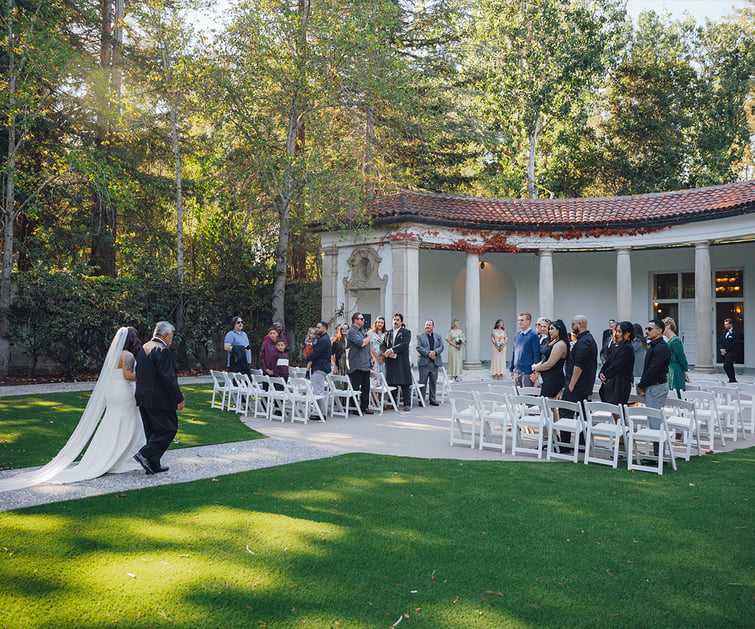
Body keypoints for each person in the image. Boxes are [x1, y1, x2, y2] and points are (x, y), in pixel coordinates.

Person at [0, 327, 146, 491]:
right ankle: (127, 457)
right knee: (130, 422)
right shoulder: (128, 356)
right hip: (124, 391)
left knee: (113, 422)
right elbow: (128, 375)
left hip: (112, 391)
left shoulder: (113, 354)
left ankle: (112, 454)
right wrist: (147, 374)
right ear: (132, 340)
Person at [133, 321, 184, 475]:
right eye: (171, 336)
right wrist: (178, 398)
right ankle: (145, 454)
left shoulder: (144, 348)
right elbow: (168, 378)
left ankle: (153, 464)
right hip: (159, 398)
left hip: (143, 396)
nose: (171, 340)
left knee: (152, 432)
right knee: (169, 428)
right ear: (166, 335)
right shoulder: (162, 349)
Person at [560, 315, 598, 451]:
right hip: (583, 385)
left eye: (573, 324)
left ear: (580, 324)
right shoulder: (587, 340)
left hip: (577, 385)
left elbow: (579, 365)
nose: (571, 326)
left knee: (565, 412)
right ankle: (582, 443)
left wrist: (571, 384)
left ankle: (564, 445)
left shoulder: (584, 342)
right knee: (582, 413)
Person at [637, 319, 671, 456]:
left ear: (659, 331)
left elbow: (653, 370)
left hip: (657, 387)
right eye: (646, 328)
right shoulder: (654, 345)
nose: (646, 331)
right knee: (653, 421)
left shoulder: (661, 347)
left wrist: (641, 385)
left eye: (650, 329)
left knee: (655, 422)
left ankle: (659, 456)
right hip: (652, 386)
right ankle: (657, 454)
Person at [598, 321, 635, 405]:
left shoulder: (627, 348)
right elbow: (608, 362)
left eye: (620, 331)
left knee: (618, 411)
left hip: (620, 384)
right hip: (613, 382)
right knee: (614, 411)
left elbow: (617, 365)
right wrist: (601, 373)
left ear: (628, 333)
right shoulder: (616, 346)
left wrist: (605, 375)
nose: (617, 334)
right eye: (616, 331)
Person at [531, 319, 569, 399]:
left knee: (543, 404)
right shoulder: (553, 341)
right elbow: (545, 359)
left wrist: (536, 368)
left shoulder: (560, 344)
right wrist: (537, 367)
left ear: (559, 330)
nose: (549, 331)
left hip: (554, 379)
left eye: (552, 329)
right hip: (548, 378)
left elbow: (550, 363)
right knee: (550, 406)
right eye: (549, 329)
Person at [382, 313, 412, 411]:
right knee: (391, 382)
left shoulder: (406, 332)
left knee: (404, 383)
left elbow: (404, 344)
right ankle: (392, 402)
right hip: (390, 361)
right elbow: (382, 345)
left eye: (398, 320)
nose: (395, 321)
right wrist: (385, 352)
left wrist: (392, 350)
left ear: (401, 322)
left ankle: (407, 404)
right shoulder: (387, 333)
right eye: (394, 320)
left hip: (402, 361)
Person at [346, 312, 374, 414]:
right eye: (361, 319)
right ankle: (354, 408)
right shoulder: (352, 331)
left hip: (365, 363)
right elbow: (361, 343)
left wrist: (371, 356)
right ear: (356, 320)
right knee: (355, 387)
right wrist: (369, 337)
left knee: (366, 387)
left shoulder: (363, 330)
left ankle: (364, 406)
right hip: (356, 364)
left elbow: (367, 345)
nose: (363, 320)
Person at [306, 321, 331, 420]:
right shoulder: (321, 339)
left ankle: (322, 414)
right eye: (316, 327)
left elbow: (317, 353)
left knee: (318, 392)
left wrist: (307, 358)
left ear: (324, 328)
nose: (317, 329)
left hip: (320, 367)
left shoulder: (324, 340)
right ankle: (318, 412)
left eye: (319, 327)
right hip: (319, 367)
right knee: (317, 391)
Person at [417, 319, 444, 406]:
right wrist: (428, 353)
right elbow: (418, 347)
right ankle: (421, 400)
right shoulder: (420, 336)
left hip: (434, 362)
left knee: (433, 382)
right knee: (422, 382)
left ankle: (432, 399)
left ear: (433, 326)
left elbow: (442, 346)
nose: (427, 326)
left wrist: (435, 352)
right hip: (424, 362)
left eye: (429, 325)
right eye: (426, 325)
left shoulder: (438, 336)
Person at [509, 312, 540, 387]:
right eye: (518, 320)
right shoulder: (517, 335)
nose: (519, 322)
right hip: (516, 372)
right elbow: (514, 353)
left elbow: (536, 354)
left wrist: (534, 373)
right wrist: (511, 369)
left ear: (528, 321)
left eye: (522, 320)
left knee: (527, 397)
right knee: (516, 397)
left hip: (527, 373)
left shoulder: (533, 336)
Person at [663, 316, 689, 396]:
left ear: (668, 326)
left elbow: (681, 357)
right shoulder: (668, 340)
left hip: (675, 370)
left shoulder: (675, 340)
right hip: (669, 369)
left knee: (677, 393)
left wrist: (685, 370)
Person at [718, 318, 741, 383]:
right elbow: (721, 341)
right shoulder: (724, 333)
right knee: (729, 365)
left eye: (726, 324)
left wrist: (726, 350)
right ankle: (732, 379)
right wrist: (721, 349)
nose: (725, 326)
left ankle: (732, 379)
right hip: (724, 352)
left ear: (730, 325)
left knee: (726, 365)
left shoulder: (735, 333)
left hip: (731, 352)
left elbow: (734, 343)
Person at [631, 322, 646, 390]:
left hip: (636, 367)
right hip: (640, 366)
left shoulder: (637, 341)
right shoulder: (642, 341)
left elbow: (630, 349)